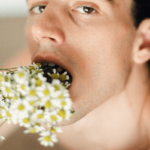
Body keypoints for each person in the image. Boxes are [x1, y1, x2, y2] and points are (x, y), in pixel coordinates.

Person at [25, 0, 150, 149]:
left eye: (87, 9)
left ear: (144, 41)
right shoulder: (48, 59)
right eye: (40, 7)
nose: (39, 29)